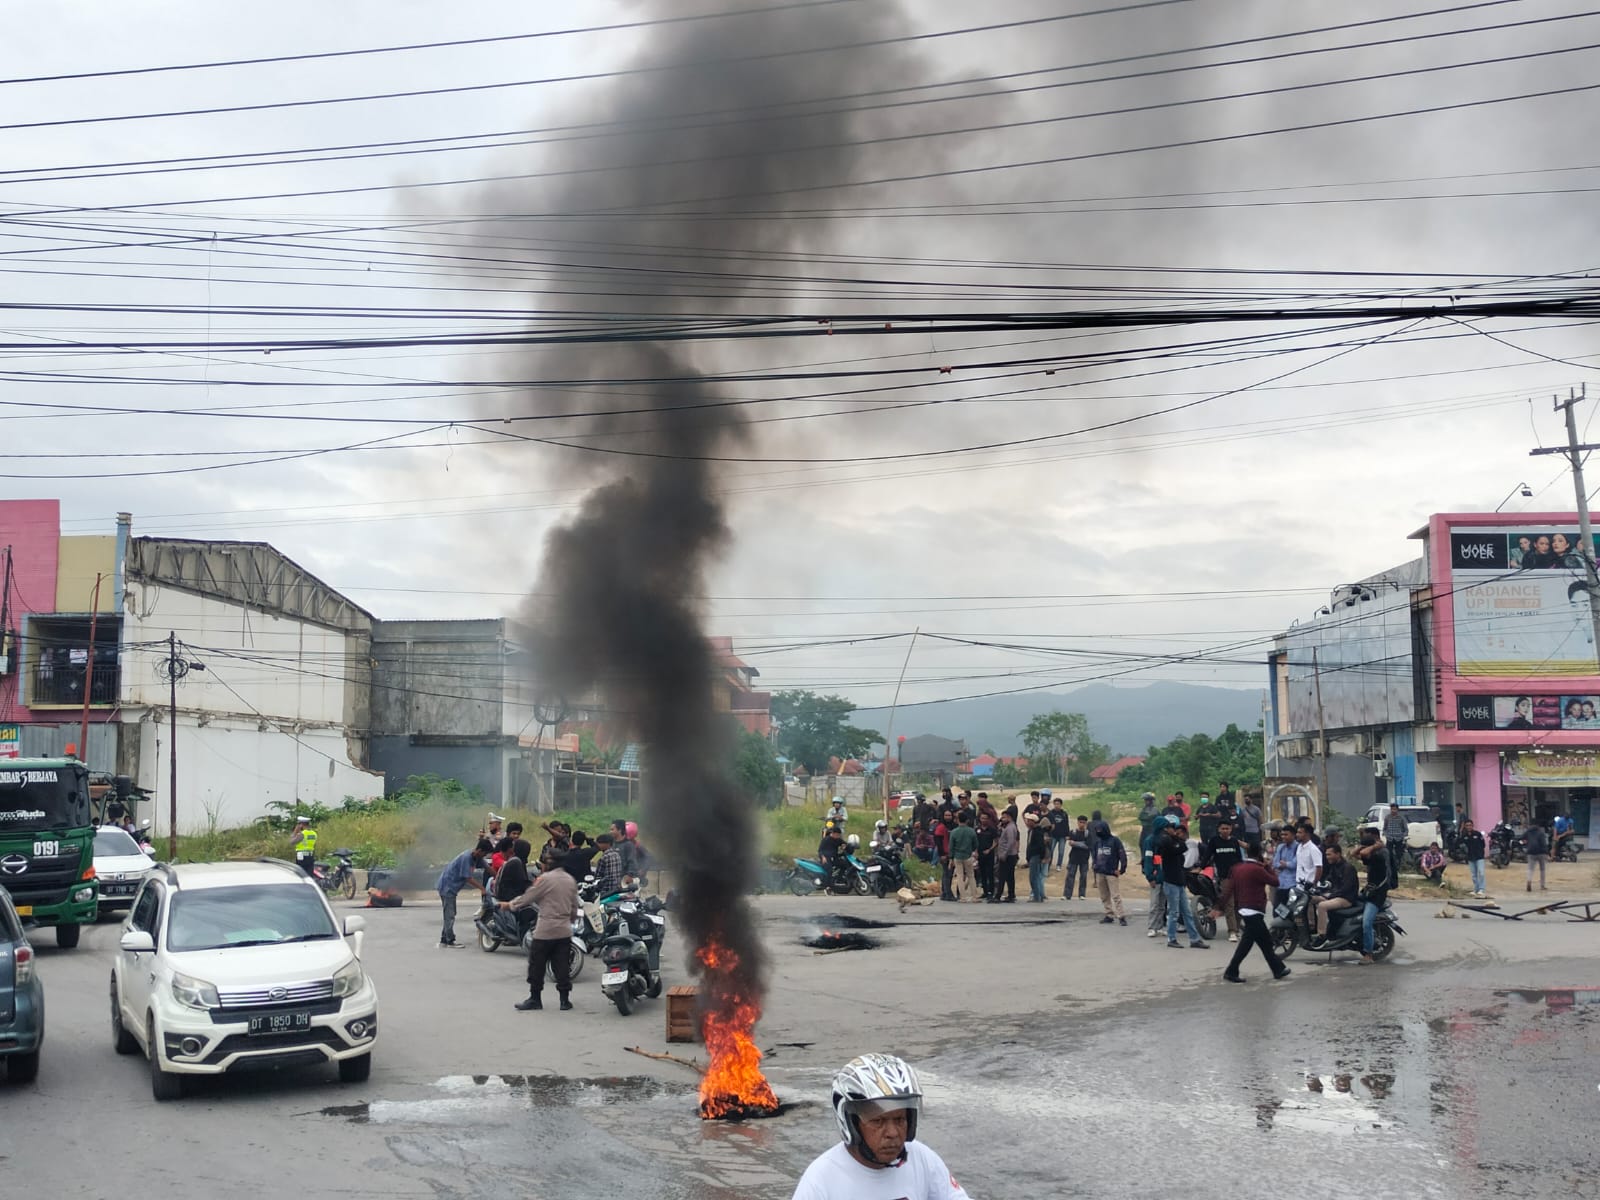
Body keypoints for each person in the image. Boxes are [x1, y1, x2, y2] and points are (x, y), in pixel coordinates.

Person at [792, 1054, 971, 1200]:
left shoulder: (922, 1160)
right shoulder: (820, 1181)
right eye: (878, 1121)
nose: (893, 1133)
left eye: (900, 1119)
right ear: (852, 1123)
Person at [503, 856, 581, 1011]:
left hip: (545, 930)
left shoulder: (544, 879)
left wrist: (510, 905)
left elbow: (528, 897)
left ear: (548, 865)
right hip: (564, 930)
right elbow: (575, 905)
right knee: (562, 966)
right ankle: (564, 1001)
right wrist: (570, 920)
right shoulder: (570, 880)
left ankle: (535, 999)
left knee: (537, 966)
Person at [1217, 844, 1291, 983]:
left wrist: (1219, 906)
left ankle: (1278, 969)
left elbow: (1228, 889)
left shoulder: (1237, 868)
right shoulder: (1258, 869)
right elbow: (1275, 881)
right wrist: (1267, 867)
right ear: (1259, 855)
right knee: (1254, 944)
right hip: (1255, 909)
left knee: (1262, 942)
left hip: (1243, 908)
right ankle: (1231, 970)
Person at [1157, 816, 1208, 949]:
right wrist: (1176, 838)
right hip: (1171, 881)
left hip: (1179, 881)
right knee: (1174, 912)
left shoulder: (1174, 841)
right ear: (1166, 829)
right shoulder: (1166, 841)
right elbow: (1180, 848)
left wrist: (1176, 838)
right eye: (1172, 829)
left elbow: (1182, 848)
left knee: (1187, 912)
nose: (1175, 832)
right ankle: (1171, 938)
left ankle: (1194, 939)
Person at [436, 838, 491, 948]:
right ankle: (450, 941)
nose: (484, 856)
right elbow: (468, 878)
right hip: (447, 887)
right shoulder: (467, 858)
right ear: (479, 850)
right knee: (450, 915)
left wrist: (498, 876)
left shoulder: (477, 857)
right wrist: (482, 889)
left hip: (451, 888)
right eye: (484, 854)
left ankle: (444, 940)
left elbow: (488, 868)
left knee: (449, 914)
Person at [1350, 828, 1391, 964]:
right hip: (1368, 892)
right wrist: (1363, 845)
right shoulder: (1371, 856)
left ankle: (1368, 954)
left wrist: (1373, 846)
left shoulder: (1379, 855)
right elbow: (1353, 854)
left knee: (1366, 923)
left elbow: (1363, 853)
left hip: (1377, 895)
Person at [1200, 819, 1245, 942]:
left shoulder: (1234, 841)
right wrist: (1200, 867)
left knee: (1239, 904)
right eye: (1223, 828)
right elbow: (1207, 856)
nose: (1225, 830)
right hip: (1225, 877)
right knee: (1229, 904)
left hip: (1238, 877)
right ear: (1219, 829)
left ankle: (1236, 928)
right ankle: (1232, 931)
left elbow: (1239, 858)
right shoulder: (1214, 841)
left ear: (1231, 829)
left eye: (1227, 828)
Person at [1313, 843, 1360, 941]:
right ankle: (1311, 925)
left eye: (1329, 854)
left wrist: (1331, 895)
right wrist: (1318, 888)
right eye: (1326, 855)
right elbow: (1328, 881)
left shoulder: (1348, 868)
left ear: (1338, 854)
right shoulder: (1334, 867)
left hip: (1345, 899)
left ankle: (1321, 935)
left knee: (1322, 906)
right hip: (1335, 896)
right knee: (1310, 899)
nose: (1327, 857)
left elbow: (1346, 888)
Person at [1091, 823, 1127, 925]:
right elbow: (1094, 856)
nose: (1099, 832)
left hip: (1112, 872)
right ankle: (1109, 914)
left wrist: (1122, 868)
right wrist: (1094, 866)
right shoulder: (1097, 842)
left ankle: (1121, 916)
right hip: (1100, 872)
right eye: (1097, 831)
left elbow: (1122, 854)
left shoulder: (1115, 841)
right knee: (1104, 896)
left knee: (1115, 895)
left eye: (1100, 830)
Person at [1141, 818, 1167, 937]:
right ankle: (1152, 927)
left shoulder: (1166, 840)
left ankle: (1160, 926)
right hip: (1155, 876)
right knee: (1154, 903)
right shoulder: (1150, 841)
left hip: (1165, 876)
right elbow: (1148, 859)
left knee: (1162, 904)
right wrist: (1150, 876)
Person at [948, 811, 979, 902]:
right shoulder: (971, 831)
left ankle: (963, 897)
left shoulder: (954, 832)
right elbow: (975, 844)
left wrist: (951, 858)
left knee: (960, 877)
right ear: (967, 820)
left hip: (957, 856)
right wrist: (971, 850)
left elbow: (951, 846)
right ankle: (974, 896)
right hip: (968, 856)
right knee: (971, 876)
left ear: (958, 820)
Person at [992, 811, 1018, 903]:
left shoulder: (1010, 828)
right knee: (1009, 876)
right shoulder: (1008, 827)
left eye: (1004, 818)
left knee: (1002, 876)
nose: (1002, 819)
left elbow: (1010, 842)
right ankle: (1011, 895)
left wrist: (1004, 854)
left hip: (1008, 855)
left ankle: (998, 895)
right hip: (1009, 855)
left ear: (1009, 818)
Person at [1382, 802, 1409, 888]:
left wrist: (1403, 835)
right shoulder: (1387, 817)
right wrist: (1386, 834)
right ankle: (1389, 868)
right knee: (1388, 853)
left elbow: (1405, 829)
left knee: (1398, 853)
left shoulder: (1401, 818)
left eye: (1395, 809)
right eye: (1392, 809)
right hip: (1390, 838)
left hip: (1398, 838)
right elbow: (1384, 828)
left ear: (1397, 809)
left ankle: (1398, 867)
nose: (1393, 811)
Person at [1063, 815, 1091, 900]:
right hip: (1073, 857)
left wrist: (1075, 843)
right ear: (1077, 822)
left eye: (1083, 822)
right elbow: (1070, 842)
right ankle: (1067, 894)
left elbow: (1088, 846)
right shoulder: (1073, 832)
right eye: (1080, 822)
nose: (1081, 824)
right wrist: (1080, 843)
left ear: (1086, 823)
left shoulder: (1088, 834)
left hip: (1084, 858)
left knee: (1083, 876)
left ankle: (1082, 894)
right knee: (1070, 876)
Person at [1459, 817, 1488, 898]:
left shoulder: (1478, 834)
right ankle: (1476, 889)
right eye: (1467, 825)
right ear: (1465, 826)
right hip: (1470, 857)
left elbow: (1483, 844)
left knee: (1481, 873)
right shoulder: (1464, 836)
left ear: (1473, 826)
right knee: (1474, 875)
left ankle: (1481, 889)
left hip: (1479, 857)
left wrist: (1480, 852)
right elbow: (1460, 845)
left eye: (1470, 825)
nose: (1469, 827)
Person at [592, 832, 627, 897]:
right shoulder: (617, 855)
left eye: (599, 843)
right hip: (616, 890)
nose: (597, 845)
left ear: (607, 844)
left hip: (605, 892)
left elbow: (597, 878)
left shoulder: (604, 858)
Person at [1024, 813, 1049, 903]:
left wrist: (1041, 856)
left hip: (1036, 856)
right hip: (1032, 856)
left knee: (1033, 877)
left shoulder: (1038, 831)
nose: (1027, 822)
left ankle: (1037, 896)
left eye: (1029, 821)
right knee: (1036, 877)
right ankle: (1039, 895)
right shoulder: (1031, 831)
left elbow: (1041, 845)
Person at [1271, 826, 1298, 906]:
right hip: (1280, 883)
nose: (1283, 837)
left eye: (1286, 835)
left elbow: (1295, 864)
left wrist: (1285, 864)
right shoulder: (1281, 847)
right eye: (1282, 834)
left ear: (1293, 835)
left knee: (1290, 911)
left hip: (1293, 884)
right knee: (1277, 911)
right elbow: (1275, 863)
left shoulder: (1298, 847)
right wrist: (1285, 864)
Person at [975, 812, 998, 901]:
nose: (984, 820)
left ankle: (990, 892)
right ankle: (984, 891)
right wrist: (976, 851)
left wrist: (990, 849)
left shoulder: (992, 829)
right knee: (982, 873)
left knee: (990, 873)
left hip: (989, 854)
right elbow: (975, 841)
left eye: (985, 818)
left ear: (988, 819)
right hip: (980, 854)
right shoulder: (977, 829)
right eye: (982, 818)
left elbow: (996, 841)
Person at [1294, 823, 1324, 888]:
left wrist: (1314, 883)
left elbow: (1319, 868)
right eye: (1297, 832)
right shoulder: (1299, 847)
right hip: (1299, 884)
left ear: (1307, 834)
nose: (1297, 835)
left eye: (1300, 833)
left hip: (1309, 884)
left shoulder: (1313, 849)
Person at [1523, 821, 1549, 892]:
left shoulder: (1528, 831)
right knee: (1542, 869)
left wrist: (1526, 843)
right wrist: (1547, 853)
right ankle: (1542, 885)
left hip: (1531, 852)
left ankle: (1529, 881)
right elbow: (1544, 843)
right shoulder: (1541, 832)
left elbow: (1522, 838)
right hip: (1541, 852)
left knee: (1530, 869)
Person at [1046, 797, 1070, 871]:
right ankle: (1048, 864)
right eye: (1055, 804)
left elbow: (1066, 824)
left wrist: (1068, 835)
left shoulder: (1064, 814)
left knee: (1061, 851)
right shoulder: (1051, 813)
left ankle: (1059, 865)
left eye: (1058, 804)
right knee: (1051, 851)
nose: (1056, 805)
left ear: (1061, 805)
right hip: (1053, 835)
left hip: (1062, 836)